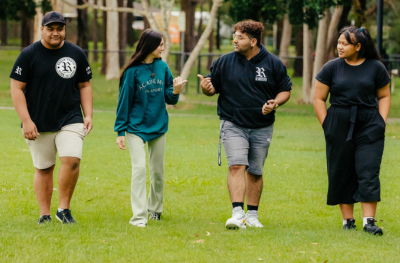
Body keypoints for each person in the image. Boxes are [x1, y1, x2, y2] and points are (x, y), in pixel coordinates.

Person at [198, 20, 292, 229]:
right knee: (237, 165)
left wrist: (275, 102)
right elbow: (212, 88)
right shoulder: (224, 62)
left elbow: (285, 90)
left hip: (262, 125)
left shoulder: (273, 63)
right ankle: (237, 213)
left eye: (239, 37)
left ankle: (252, 215)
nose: (234, 40)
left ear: (253, 41)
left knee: (256, 171)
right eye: (234, 36)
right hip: (232, 122)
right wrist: (206, 88)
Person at [10, 11, 93, 225]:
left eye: (60, 28)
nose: (56, 33)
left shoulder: (76, 53)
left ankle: (63, 209)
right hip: (38, 120)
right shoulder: (29, 54)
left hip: (70, 116)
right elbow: (16, 88)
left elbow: (85, 85)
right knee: (44, 167)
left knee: (72, 159)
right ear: (42, 29)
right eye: (51, 28)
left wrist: (88, 114)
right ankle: (44, 214)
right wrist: (27, 121)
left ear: (64, 29)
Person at [314, 26, 391, 235]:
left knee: (368, 170)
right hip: (338, 122)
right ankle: (348, 221)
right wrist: (327, 124)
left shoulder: (376, 67)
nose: (339, 47)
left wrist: (380, 122)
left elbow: (384, 96)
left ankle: (369, 222)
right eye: (339, 43)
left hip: (369, 123)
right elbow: (319, 98)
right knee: (341, 170)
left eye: (344, 44)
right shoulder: (331, 68)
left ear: (358, 46)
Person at [115, 29, 187, 227]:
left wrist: (176, 90)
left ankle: (154, 210)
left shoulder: (162, 66)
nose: (163, 47)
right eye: (160, 44)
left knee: (157, 172)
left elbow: (169, 97)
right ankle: (139, 217)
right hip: (135, 128)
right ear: (149, 45)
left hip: (158, 126)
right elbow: (124, 101)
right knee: (139, 169)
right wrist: (120, 131)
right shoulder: (132, 72)